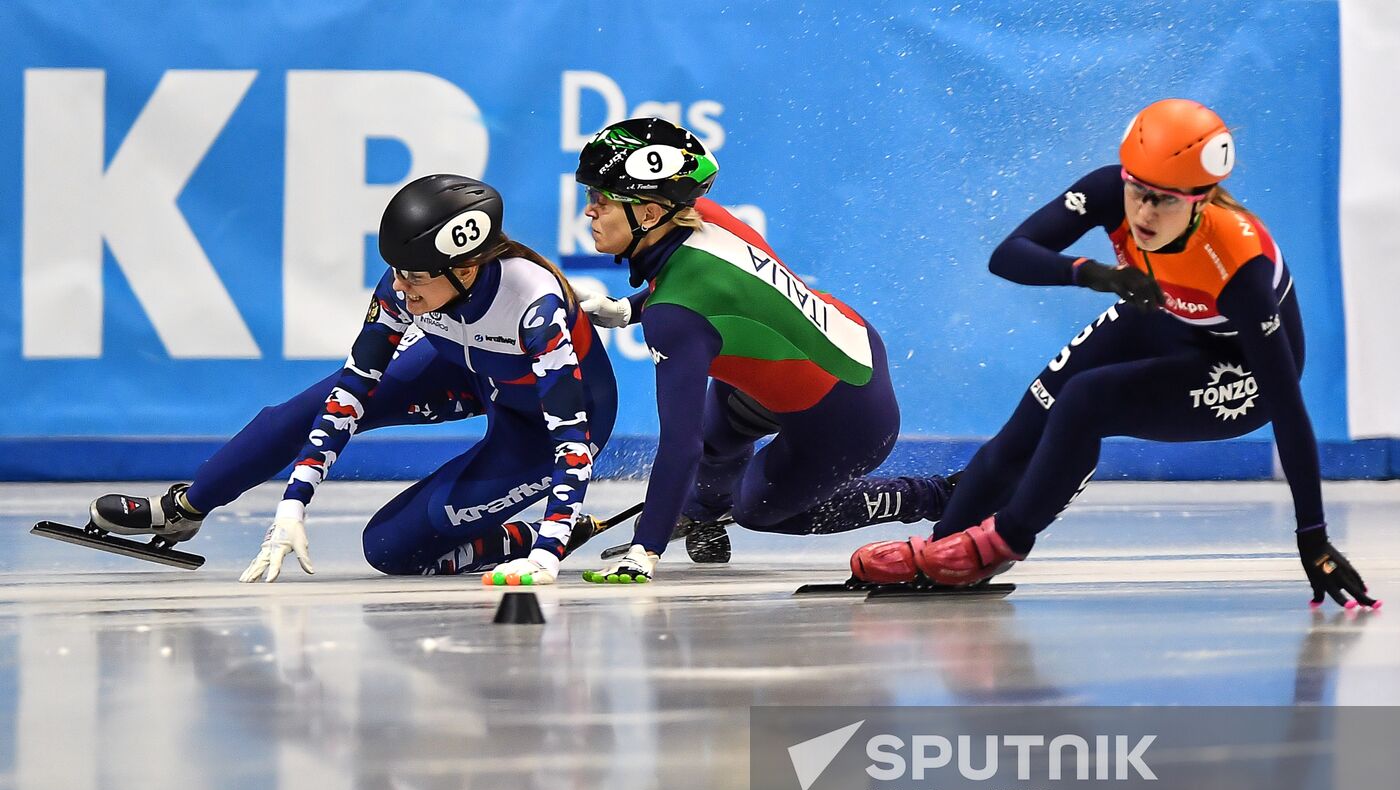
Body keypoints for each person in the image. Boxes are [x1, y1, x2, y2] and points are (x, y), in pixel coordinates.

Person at [850, 99, 1379, 610]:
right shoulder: (1109, 189)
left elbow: (1288, 406)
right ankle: (944, 544)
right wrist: (1093, 273)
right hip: (1165, 313)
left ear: (1202, 199)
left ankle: (1001, 544)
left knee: (1086, 399)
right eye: (1139, 192)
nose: (1146, 212)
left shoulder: (1239, 266)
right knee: (1029, 420)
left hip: (1244, 372)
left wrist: (1313, 536)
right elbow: (1008, 256)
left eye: (1166, 199)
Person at [88, 174, 617, 586]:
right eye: (397, 271)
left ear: (467, 267)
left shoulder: (533, 305)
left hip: (549, 423)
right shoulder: (408, 280)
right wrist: (293, 504)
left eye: (415, 277)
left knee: (390, 549)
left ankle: (539, 533)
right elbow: (351, 392)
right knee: (294, 415)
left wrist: (547, 548)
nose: (401, 288)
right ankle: (183, 509)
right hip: (463, 368)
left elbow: (572, 445)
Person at [573, 118, 954, 584]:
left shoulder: (674, 319)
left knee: (757, 510)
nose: (590, 211)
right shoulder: (704, 216)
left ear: (650, 214)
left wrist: (645, 548)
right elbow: (721, 293)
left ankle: (933, 495)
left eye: (601, 200)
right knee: (720, 437)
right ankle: (705, 511)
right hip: (841, 343)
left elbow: (679, 444)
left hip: (848, 413)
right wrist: (627, 309)